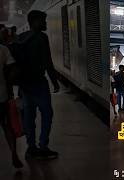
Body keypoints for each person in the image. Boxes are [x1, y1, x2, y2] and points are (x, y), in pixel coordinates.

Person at [18, 10, 60, 159]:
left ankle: (31, 148)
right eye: (43, 21)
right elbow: (48, 62)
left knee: (29, 117)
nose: (45, 23)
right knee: (47, 114)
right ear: (35, 21)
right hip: (39, 84)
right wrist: (54, 82)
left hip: (24, 85)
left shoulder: (21, 38)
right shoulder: (42, 38)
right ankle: (43, 147)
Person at [0, 29, 23, 168]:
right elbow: (14, 69)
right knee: (7, 125)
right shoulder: (2, 49)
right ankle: (14, 153)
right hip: (1, 96)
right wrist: (8, 84)